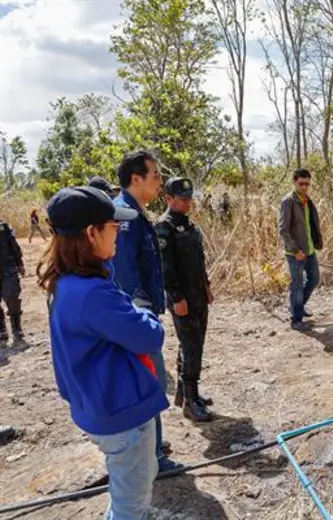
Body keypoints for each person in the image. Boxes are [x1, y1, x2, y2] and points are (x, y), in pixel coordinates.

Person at [38, 185, 168, 519]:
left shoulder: (67, 283)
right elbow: (148, 337)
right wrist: (144, 311)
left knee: (132, 484)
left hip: (100, 405)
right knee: (131, 501)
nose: (118, 235)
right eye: (113, 228)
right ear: (91, 233)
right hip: (122, 413)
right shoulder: (92, 293)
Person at [112, 150, 181, 473]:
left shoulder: (134, 214)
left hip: (140, 317)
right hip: (136, 319)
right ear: (135, 179)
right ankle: (151, 458)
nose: (159, 181)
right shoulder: (124, 217)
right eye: (154, 175)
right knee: (149, 385)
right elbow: (125, 275)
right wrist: (143, 320)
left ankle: (152, 451)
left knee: (151, 383)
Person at [154, 177, 214, 422]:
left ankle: (187, 393)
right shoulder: (163, 228)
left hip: (198, 294)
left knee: (194, 344)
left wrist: (207, 287)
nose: (187, 203)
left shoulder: (189, 226)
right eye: (181, 199)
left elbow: (198, 261)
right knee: (191, 346)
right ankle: (191, 401)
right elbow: (164, 268)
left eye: (189, 199)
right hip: (182, 299)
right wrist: (176, 296)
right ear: (168, 199)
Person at [279, 168, 323, 330]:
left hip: (309, 250)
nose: (304, 187)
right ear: (294, 182)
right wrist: (295, 250)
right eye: (301, 184)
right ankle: (296, 320)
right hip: (295, 253)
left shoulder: (307, 200)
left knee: (314, 279)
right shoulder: (288, 201)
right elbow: (283, 229)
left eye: (307, 184)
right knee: (297, 285)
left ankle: (296, 307)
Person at [0, 218, 24, 342]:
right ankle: (1, 330)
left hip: (7, 266)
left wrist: (19, 263)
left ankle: (16, 328)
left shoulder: (3, 227)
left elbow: (13, 245)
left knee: (13, 297)